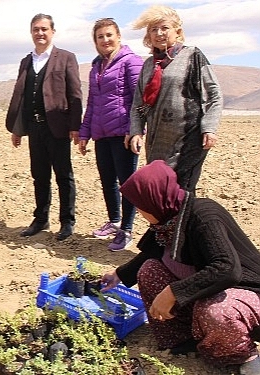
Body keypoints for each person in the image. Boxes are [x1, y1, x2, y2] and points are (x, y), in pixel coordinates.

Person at [101, 160, 260, 375]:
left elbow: (227, 268)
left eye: (141, 206)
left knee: (214, 310)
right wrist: (119, 274)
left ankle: (239, 356)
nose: (139, 211)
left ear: (155, 199)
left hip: (247, 293)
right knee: (149, 271)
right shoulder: (168, 219)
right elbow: (153, 252)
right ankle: (182, 339)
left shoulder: (203, 217)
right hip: (211, 289)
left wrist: (174, 292)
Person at [128, 5, 223, 192]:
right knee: (160, 190)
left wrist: (209, 128)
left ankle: (184, 222)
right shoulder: (148, 65)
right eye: (153, 29)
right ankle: (163, 223)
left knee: (181, 191)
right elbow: (139, 105)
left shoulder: (192, 56)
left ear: (177, 31)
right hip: (157, 144)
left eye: (164, 28)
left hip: (189, 139)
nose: (159, 33)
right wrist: (136, 131)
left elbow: (213, 93)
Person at [5, 13, 83, 240]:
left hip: (58, 127)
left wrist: (75, 126)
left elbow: (75, 93)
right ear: (31, 33)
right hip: (34, 126)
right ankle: (41, 219)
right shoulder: (26, 62)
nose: (40, 33)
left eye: (44, 29)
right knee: (39, 175)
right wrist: (18, 129)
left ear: (52, 32)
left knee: (63, 175)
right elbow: (21, 96)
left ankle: (67, 222)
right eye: (36, 29)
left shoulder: (66, 57)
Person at [78, 18, 143, 251]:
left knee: (127, 183)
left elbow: (140, 99)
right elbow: (92, 102)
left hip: (123, 133)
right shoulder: (97, 66)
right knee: (108, 182)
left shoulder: (131, 62)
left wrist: (134, 130)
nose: (105, 40)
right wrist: (85, 133)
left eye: (109, 35)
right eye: (100, 36)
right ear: (95, 41)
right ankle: (115, 221)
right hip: (102, 134)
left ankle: (127, 229)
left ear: (118, 37)